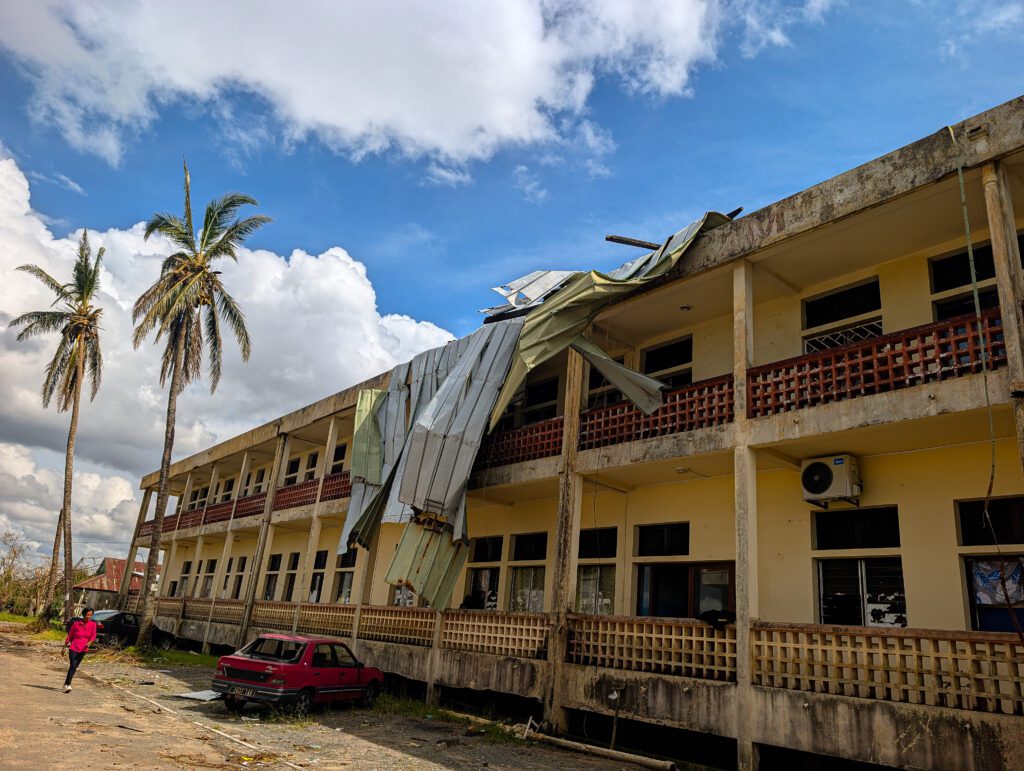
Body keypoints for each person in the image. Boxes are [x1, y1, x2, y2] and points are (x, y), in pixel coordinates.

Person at [62, 607, 97, 692]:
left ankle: (65, 684)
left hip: (83, 649)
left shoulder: (93, 625)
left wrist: (89, 643)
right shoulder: (76, 624)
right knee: (73, 665)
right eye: (87, 615)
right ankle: (68, 684)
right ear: (83, 614)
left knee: (74, 667)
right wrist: (64, 647)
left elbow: (93, 636)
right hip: (74, 647)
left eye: (90, 615)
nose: (88, 616)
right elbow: (70, 635)